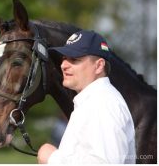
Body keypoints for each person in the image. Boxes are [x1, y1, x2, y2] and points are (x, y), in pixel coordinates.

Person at [37, 30, 135, 164]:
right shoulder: (94, 101)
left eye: (74, 59)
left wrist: (53, 158)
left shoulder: (102, 104)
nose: (63, 65)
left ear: (99, 66)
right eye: (64, 58)